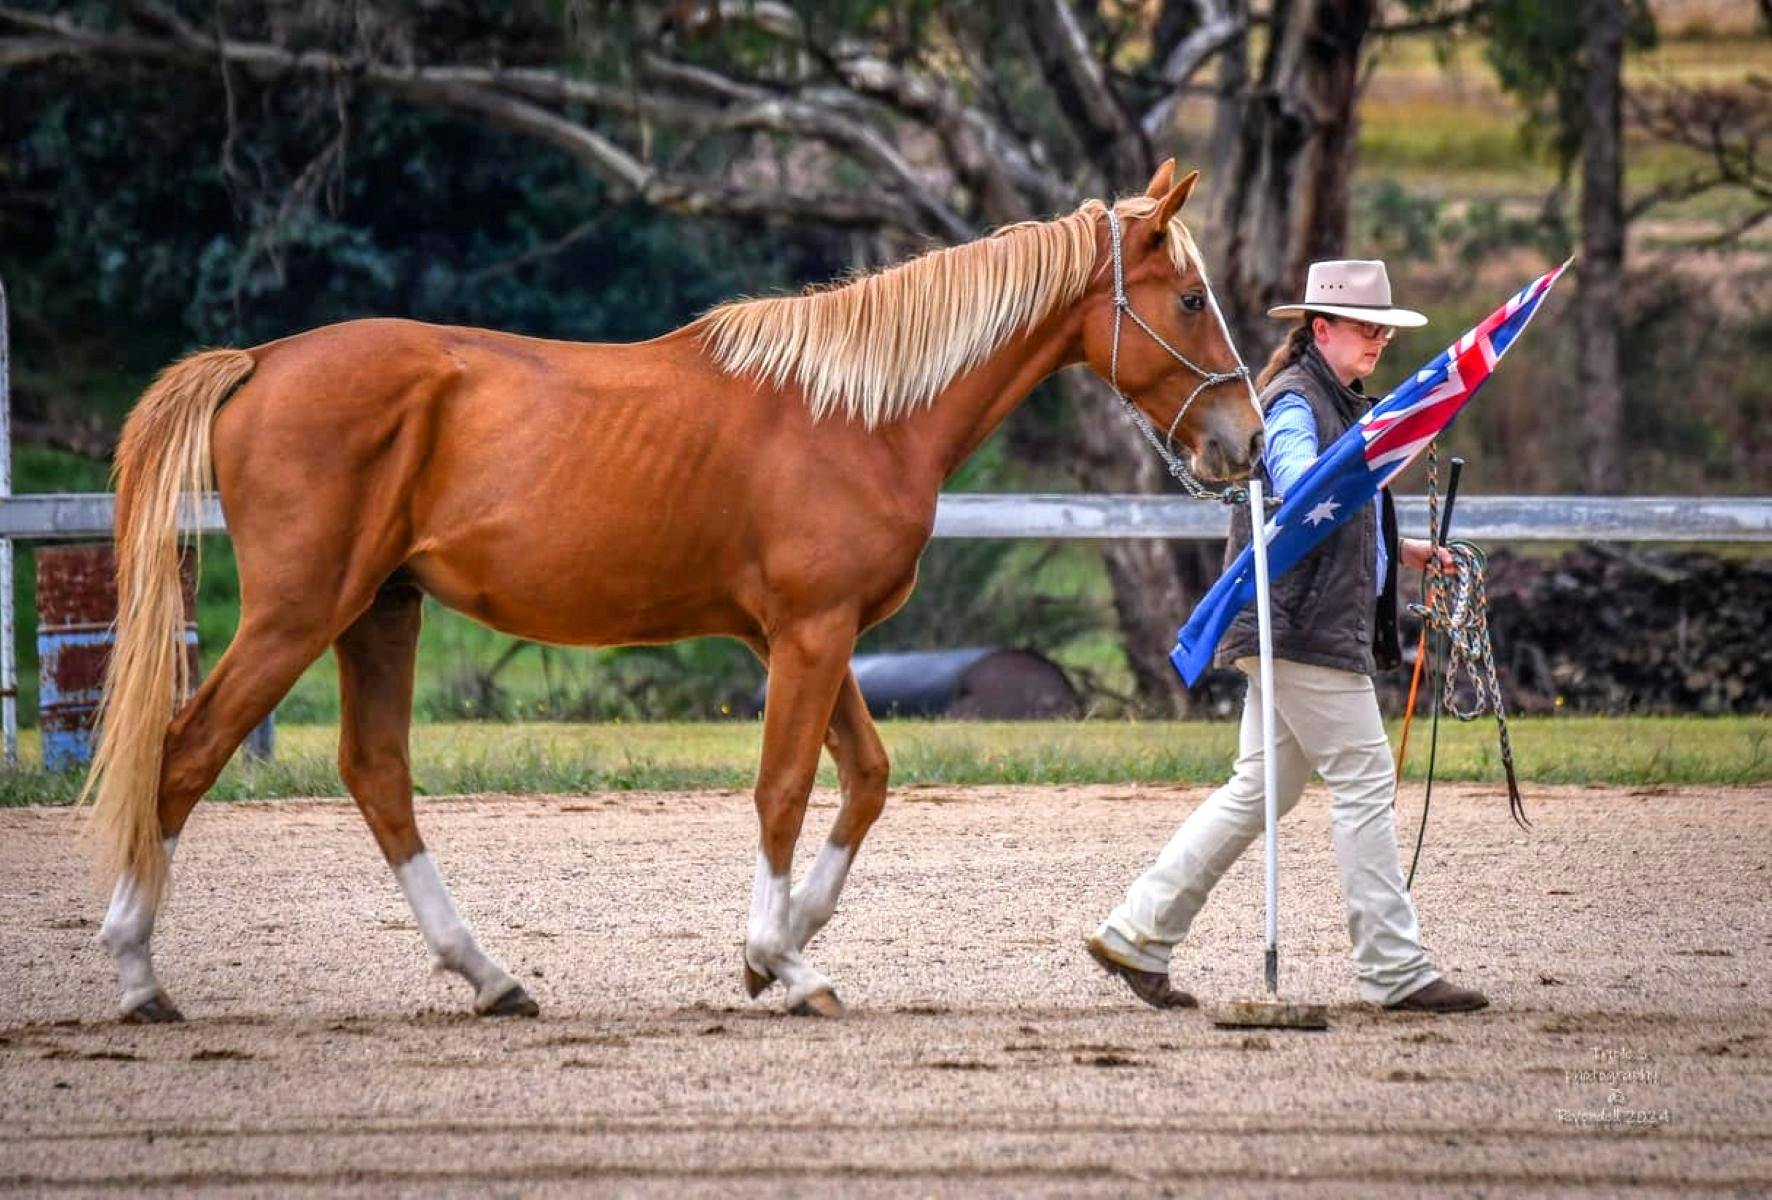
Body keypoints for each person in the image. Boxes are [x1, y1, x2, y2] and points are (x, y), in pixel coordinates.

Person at [1087, 259, 1489, 1015]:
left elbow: (1340, 509)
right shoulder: (1298, 405)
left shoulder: (1330, 400)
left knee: (1260, 789)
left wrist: (1402, 551)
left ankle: (1138, 932)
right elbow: (1306, 488)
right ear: (1322, 329)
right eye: (1365, 328)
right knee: (1365, 778)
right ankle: (1394, 969)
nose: (1377, 341)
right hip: (1301, 628)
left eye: (1383, 330)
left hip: (1294, 625)